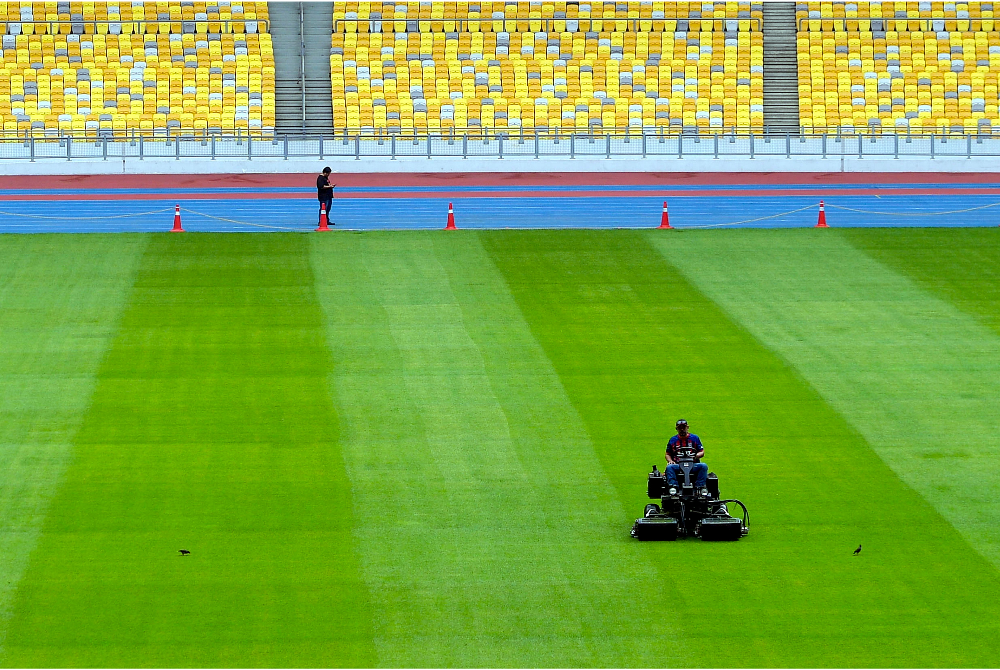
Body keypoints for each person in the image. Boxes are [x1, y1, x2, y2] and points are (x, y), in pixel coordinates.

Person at [664, 419, 709, 496]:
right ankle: (674, 488)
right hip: (678, 465)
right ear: (677, 429)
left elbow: (702, 452)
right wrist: (670, 461)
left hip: (692, 464)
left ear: (687, 427)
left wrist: (696, 456)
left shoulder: (694, 438)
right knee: (669, 467)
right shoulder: (673, 440)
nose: (682, 430)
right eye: (680, 428)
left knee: (703, 466)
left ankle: (699, 487)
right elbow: (667, 454)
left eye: (683, 427)